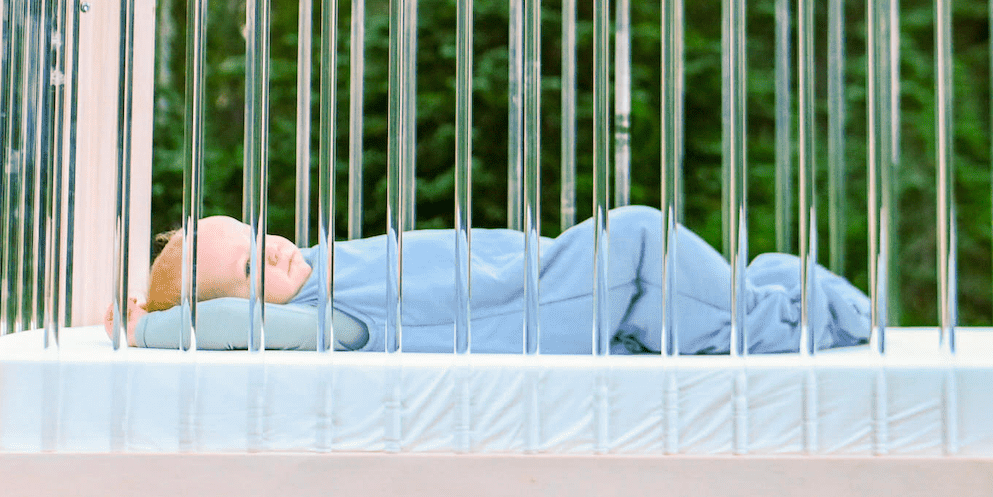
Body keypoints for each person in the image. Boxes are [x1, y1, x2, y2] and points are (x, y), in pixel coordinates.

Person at [107, 207, 871, 355]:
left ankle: (776, 292)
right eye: (249, 268)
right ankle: (814, 321)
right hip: (539, 306)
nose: (272, 251)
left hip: (553, 278)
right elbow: (235, 328)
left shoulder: (319, 265)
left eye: (257, 235)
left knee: (698, 279)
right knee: (640, 234)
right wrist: (152, 327)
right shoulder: (323, 319)